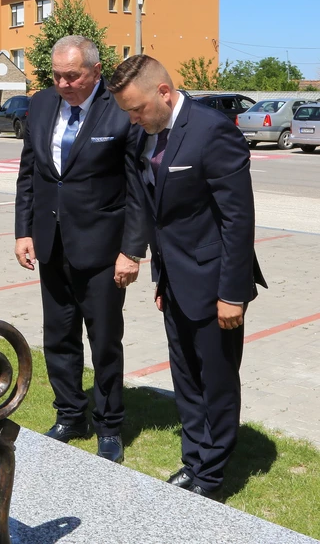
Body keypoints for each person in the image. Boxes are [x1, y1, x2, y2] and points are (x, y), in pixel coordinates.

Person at [108, 54, 266, 499]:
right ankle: (194, 459)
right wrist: (161, 277)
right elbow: (158, 213)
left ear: (164, 91)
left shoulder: (214, 132)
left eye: (137, 109)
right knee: (186, 379)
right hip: (175, 280)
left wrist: (232, 294)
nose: (133, 119)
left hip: (216, 282)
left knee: (215, 380)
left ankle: (212, 476)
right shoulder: (147, 135)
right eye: (127, 112)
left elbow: (237, 220)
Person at [14, 35, 146, 463]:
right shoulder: (41, 104)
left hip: (102, 250)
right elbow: (29, 174)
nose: (63, 83)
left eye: (72, 76)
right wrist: (23, 231)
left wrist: (132, 250)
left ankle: (109, 425)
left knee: (105, 340)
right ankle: (70, 414)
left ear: (95, 71)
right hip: (50, 244)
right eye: (56, 75)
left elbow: (137, 190)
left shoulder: (120, 111)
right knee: (59, 336)